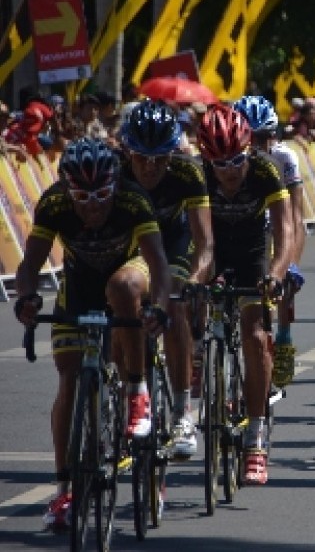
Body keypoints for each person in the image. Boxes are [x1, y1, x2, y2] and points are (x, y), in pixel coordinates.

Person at [14, 137, 171, 532]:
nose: (92, 205)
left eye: (101, 194)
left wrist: (159, 308)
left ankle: (137, 392)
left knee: (124, 287)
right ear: (67, 188)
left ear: (115, 185)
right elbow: (29, 264)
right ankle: (65, 489)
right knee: (68, 378)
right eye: (81, 196)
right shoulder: (53, 204)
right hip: (80, 283)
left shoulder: (133, 201)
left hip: (128, 271)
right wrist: (28, 299)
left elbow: (160, 265)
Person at [197, 104, 294, 485]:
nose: (231, 171)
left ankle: (255, 437)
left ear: (249, 150)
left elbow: (285, 232)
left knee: (255, 337)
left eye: (237, 160)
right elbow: (191, 238)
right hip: (212, 247)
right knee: (189, 308)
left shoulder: (265, 170)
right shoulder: (197, 174)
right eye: (220, 164)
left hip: (253, 251)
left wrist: (276, 273)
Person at [120, 99, 214, 458]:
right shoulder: (115, 170)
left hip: (175, 243)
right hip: (132, 247)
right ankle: (125, 393)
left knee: (174, 307)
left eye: (160, 157)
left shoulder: (188, 173)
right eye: (141, 156)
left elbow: (205, 241)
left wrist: (194, 280)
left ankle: (181, 412)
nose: (150, 166)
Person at [233, 95, 306, 387]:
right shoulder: (227, 158)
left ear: (273, 137)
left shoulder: (284, 158)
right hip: (242, 226)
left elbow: (296, 219)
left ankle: (284, 338)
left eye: (263, 138)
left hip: (275, 226)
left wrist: (293, 264)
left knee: (282, 276)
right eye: (249, 138)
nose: (256, 147)